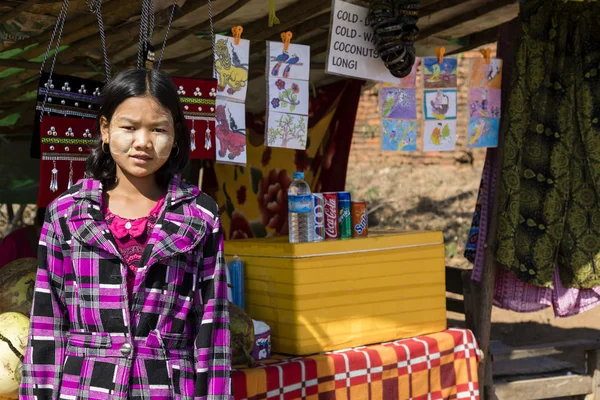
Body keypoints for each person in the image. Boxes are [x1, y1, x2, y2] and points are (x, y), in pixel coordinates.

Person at [20, 69, 231, 399]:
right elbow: (47, 323)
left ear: (175, 134)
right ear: (105, 130)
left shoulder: (199, 214)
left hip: (167, 389)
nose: (143, 142)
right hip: (84, 387)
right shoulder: (66, 212)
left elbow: (212, 326)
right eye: (129, 127)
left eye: (158, 129)